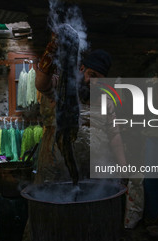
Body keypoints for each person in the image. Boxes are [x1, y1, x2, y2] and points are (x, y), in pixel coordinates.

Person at [34, 36, 127, 184]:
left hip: (91, 172)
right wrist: (50, 52)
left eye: (99, 79)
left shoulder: (106, 102)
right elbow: (41, 84)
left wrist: (123, 168)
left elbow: (115, 136)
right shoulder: (63, 88)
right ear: (82, 69)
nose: (93, 82)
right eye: (92, 75)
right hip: (56, 169)